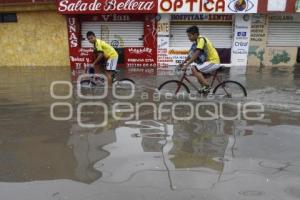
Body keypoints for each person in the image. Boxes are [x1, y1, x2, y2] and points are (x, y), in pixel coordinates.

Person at [179, 26, 221, 93]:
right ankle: (204, 88)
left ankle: (207, 86)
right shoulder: (196, 42)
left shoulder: (201, 40)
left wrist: (186, 65)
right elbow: (191, 54)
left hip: (213, 62)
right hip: (208, 62)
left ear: (195, 34)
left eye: (190, 36)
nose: (188, 38)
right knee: (197, 74)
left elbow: (196, 54)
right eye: (188, 36)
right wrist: (183, 63)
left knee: (194, 68)